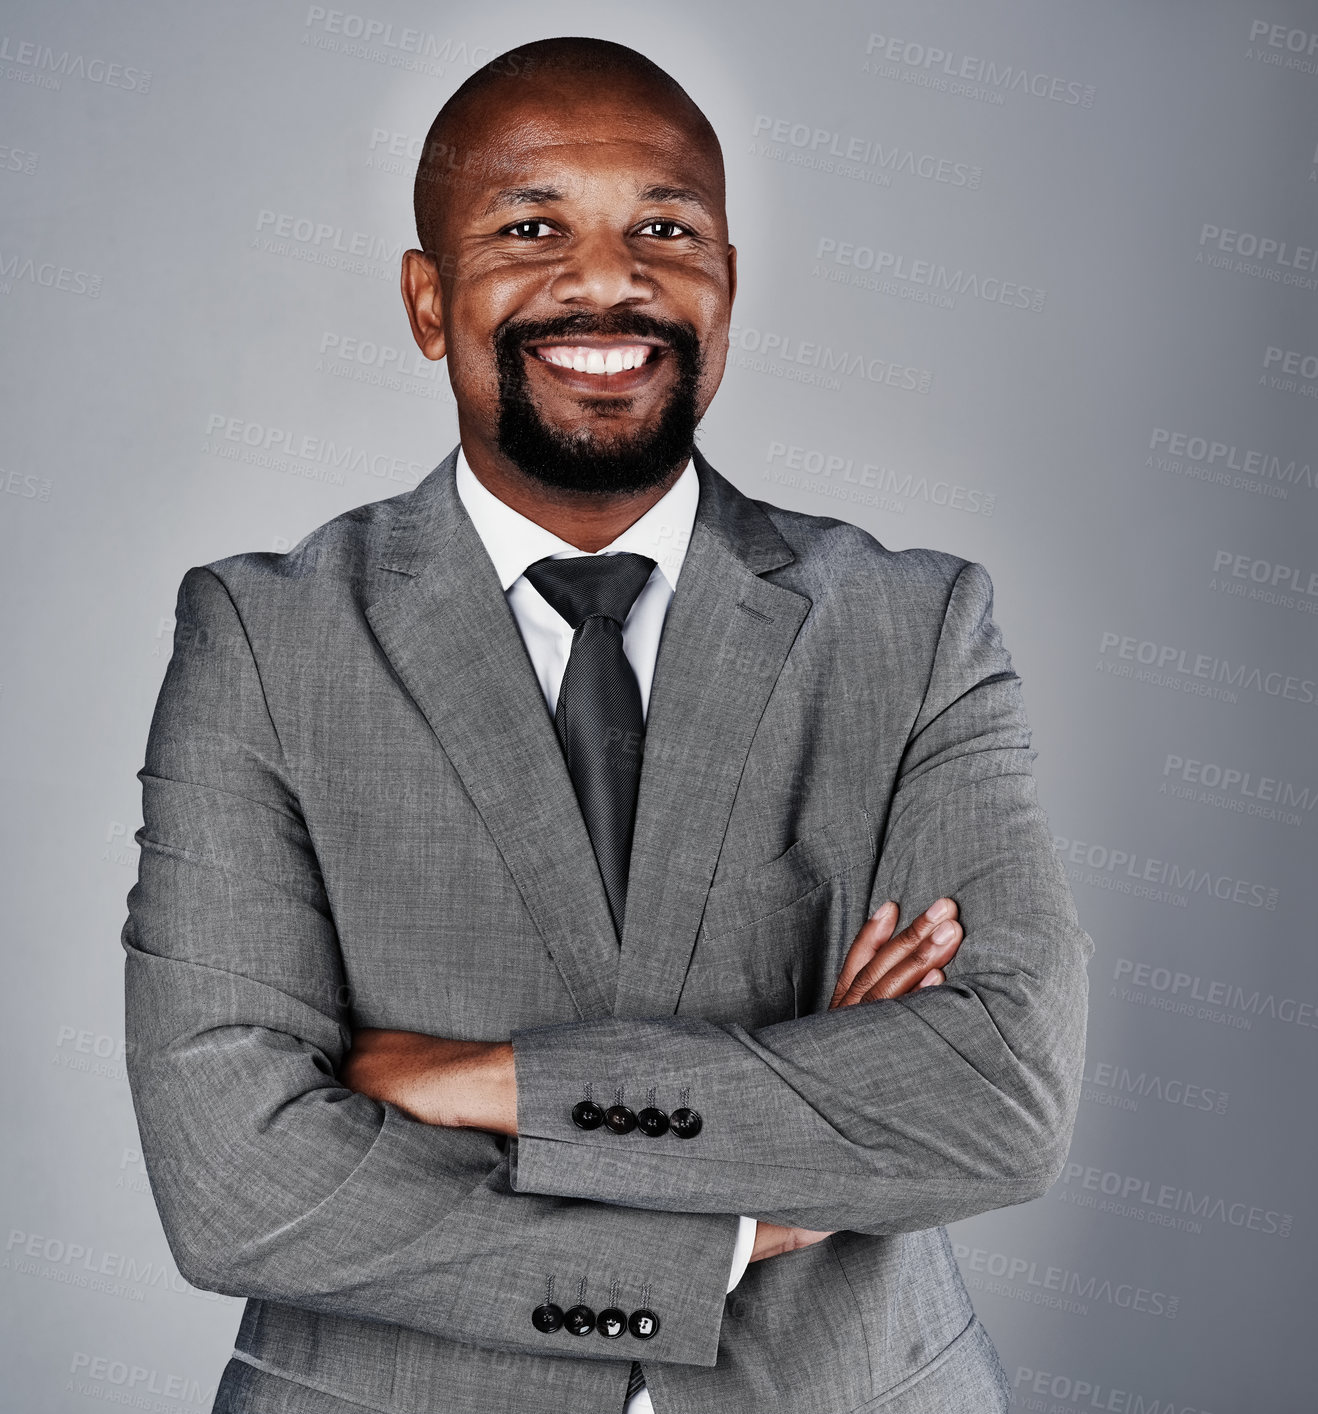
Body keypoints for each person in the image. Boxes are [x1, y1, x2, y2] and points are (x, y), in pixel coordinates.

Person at [123, 36, 1091, 1414]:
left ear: (726, 286)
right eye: (530, 228)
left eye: (662, 227)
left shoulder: (912, 625)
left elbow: (995, 1098)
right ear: (426, 298)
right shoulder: (265, 643)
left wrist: (499, 1083)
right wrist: (746, 1215)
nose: (604, 280)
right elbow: (234, 1177)